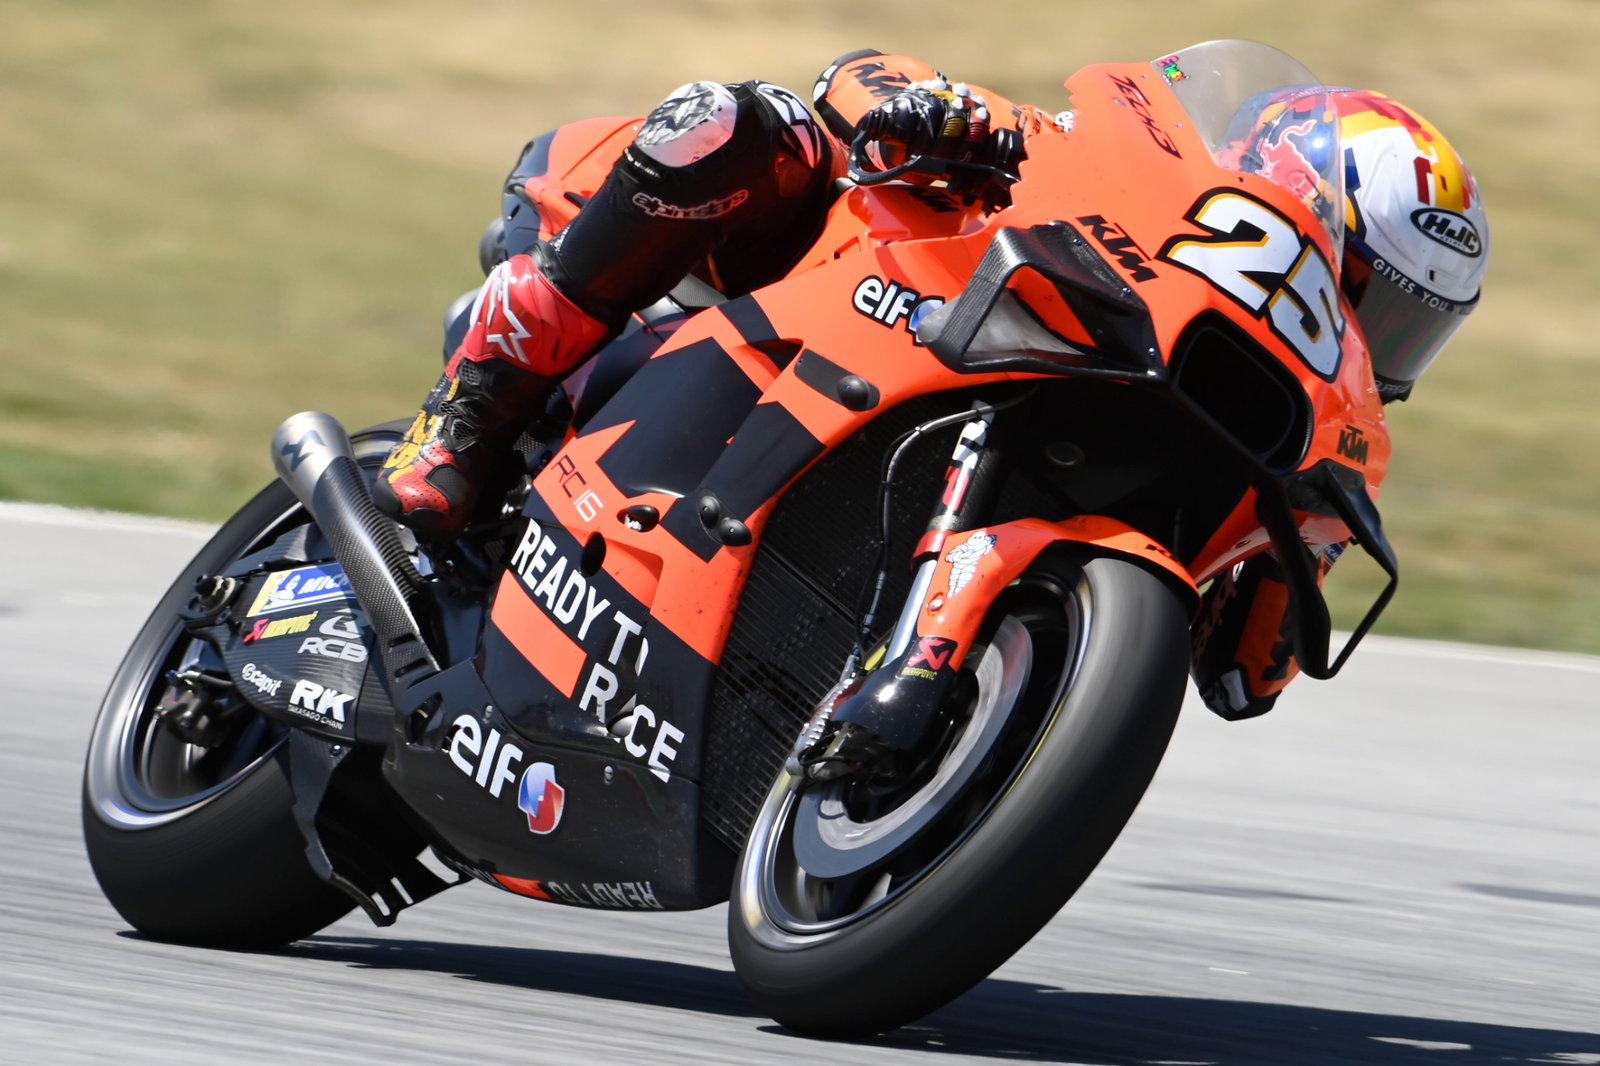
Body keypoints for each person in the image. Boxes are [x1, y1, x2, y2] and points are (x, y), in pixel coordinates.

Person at [370, 49, 1489, 722]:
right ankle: (472, 413)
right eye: (1366, 294)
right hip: (795, 303)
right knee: (738, 121)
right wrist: (934, 117)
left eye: (1409, 328)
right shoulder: (1091, 165)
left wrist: (1296, 551)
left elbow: (1242, 682)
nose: (1367, 338)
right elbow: (861, 75)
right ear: (1283, 192)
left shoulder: (1320, 444)